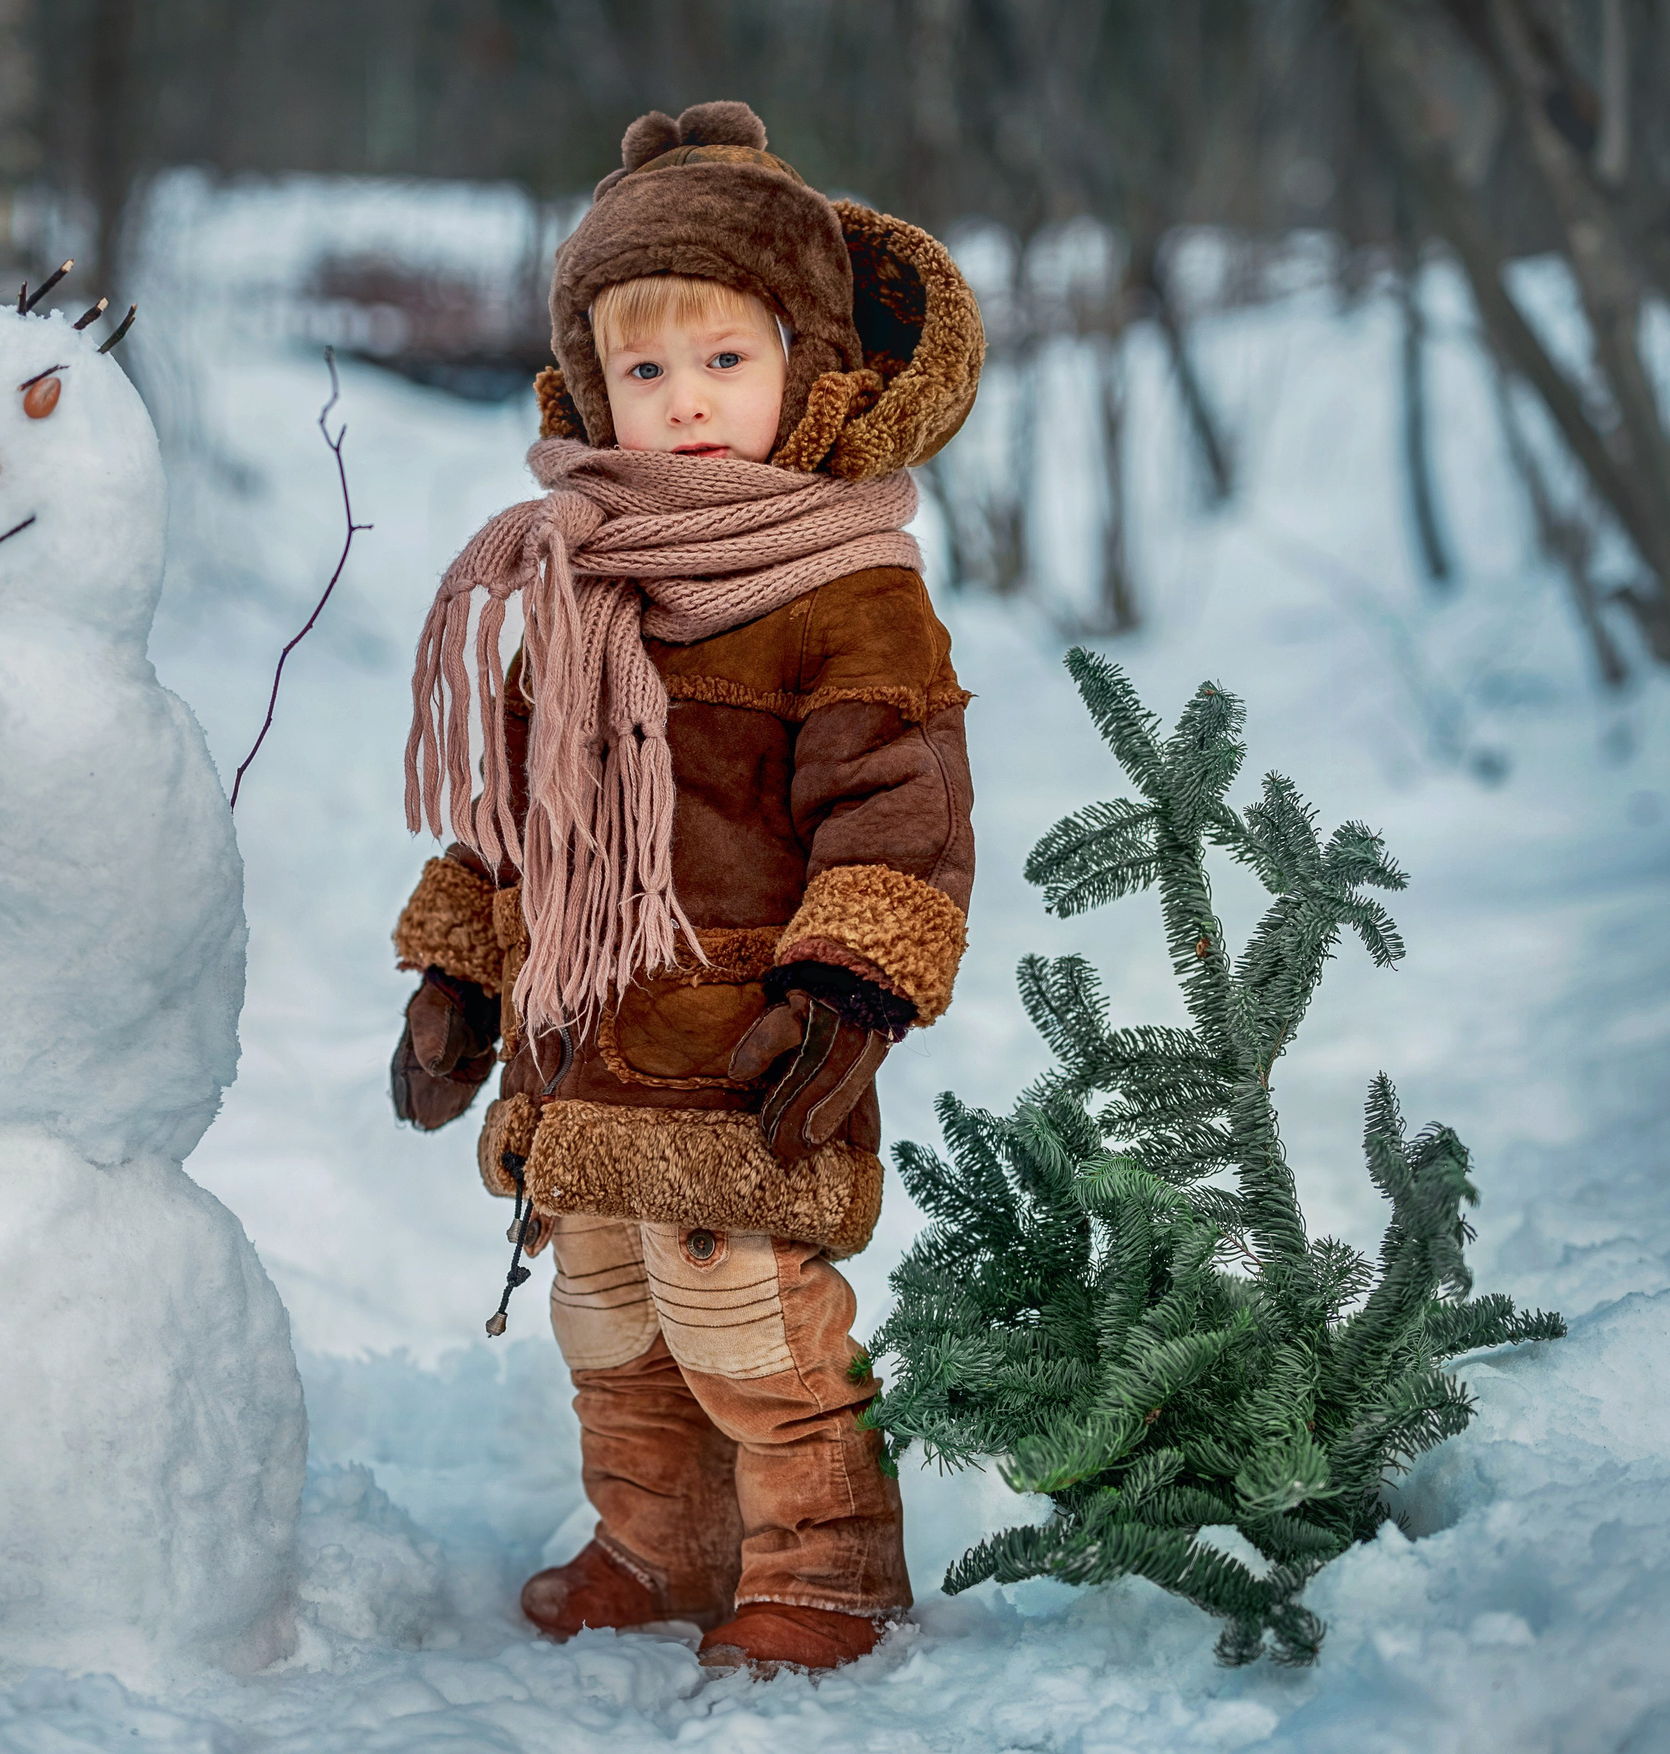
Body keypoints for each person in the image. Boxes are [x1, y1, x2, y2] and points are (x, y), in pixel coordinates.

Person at [391, 99, 983, 1676]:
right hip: (583, 1043)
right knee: (607, 1316)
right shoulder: (577, 581)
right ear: (591, 386)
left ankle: (828, 1564)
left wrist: (845, 990)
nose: (687, 402)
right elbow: (511, 813)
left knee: (750, 1318)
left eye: (725, 359)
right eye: (643, 371)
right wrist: (460, 978)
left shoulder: (846, 589)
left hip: (743, 1045)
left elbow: (896, 803)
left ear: (802, 364)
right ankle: (659, 1539)